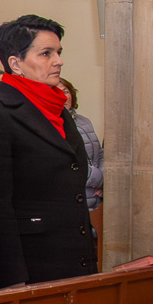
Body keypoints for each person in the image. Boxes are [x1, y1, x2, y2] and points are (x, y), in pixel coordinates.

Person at [0, 16, 96, 288]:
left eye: (58, 52)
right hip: (32, 267)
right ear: (16, 64)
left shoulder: (59, 110)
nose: (59, 61)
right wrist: (12, 278)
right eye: (46, 53)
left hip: (72, 257)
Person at [60, 76, 103, 212]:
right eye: (58, 92)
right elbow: (68, 163)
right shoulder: (51, 124)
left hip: (96, 196)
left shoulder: (84, 121)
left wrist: (106, 181)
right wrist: (99, 179)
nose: (64, 97)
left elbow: (99, 153)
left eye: (66, 91)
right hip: (75, 195)